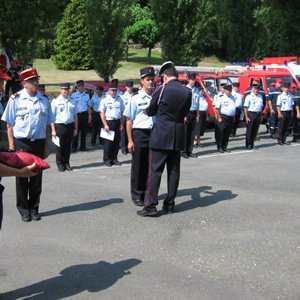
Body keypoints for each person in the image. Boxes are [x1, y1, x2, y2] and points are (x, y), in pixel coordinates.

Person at [137, 61, 191, 217]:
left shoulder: (162, 90)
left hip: (161, 136)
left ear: (165, 77)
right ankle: (170, 204)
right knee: (174, 172)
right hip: (178, 135)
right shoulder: (187, 92)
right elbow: (185, 112)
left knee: (155, 172)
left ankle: (151, 206)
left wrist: (149, 110)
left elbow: (151, 111)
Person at [1, 68, 54, 222]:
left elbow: (47, 126)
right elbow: (9, 125)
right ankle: (24, 209)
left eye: (36, 80)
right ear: (24, 83)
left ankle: (34, 208)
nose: (35, 83)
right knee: (22, 177)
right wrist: (12, 147)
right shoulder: (15, 99)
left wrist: (46, 146)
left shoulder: (44, 100)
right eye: (32, 81)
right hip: (21, 143)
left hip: (38, 143)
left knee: (37, 177)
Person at [124, 67, 155, 207]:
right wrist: (130, 140)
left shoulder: (156, 96)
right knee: (138, 166)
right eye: (148, 80)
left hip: (153, 133)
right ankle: (137, 194)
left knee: (151, 166)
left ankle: (148, 192)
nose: (151, 82)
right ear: (141, 81)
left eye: (152, 79)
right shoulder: (135, 99)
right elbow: (129, 121)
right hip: (139, 134)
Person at [0, 162, 38, 230]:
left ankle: (34, 209)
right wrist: (20, 172)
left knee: (36, 183)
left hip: (37, 153)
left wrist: (45, 150)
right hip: (20, 152)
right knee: (21, 184)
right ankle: (24, 210)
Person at [51, 83, 78, 172]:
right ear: (60, 90)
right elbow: (52, 117)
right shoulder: (55, 101)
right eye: (64, 89)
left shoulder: (72, 101)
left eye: (67, 89)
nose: (66, 91)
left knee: (68, 146)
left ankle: (66, 163)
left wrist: (75, 128)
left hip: (70, 126)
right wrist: (53, 130)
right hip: (60, 126)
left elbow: (75, 116)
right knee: (60, 147)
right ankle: (60, 164)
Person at [100, 84, 125, 167]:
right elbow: (102, 113)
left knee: (116, 142)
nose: (114, 92)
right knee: (108, 143)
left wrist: (121, 123)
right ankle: (107, 159)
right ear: (109, 91)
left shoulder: (119, 99)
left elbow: (122, 112)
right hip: (109, 122)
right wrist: (105, 124)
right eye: (113, 90)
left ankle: (114, 158)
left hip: (117, 121)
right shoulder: (105, 100)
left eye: (115, 90)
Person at [182, 72, 199, 159]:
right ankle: (184, 151)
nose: (193, 81)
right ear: (188, 80)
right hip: (187, 113)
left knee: (192, 133)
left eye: (194, 79)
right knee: (185, 133)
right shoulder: (184, 90)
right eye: (192, 80)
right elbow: (182, 104)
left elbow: (197, 103)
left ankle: (190, 150)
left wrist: (197, 115)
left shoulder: (196, 90)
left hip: (194, 112)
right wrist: (183, 115)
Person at [214, 84, 236, 153]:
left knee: (227, 133)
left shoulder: (232, 97)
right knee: (221, 133)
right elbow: (217, 109)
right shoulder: (221, 97)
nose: (230, 92)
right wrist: (219, 117)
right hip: (223, 117)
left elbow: (233, 108)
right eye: (228, 90)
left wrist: (234, 116)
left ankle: (225, 146)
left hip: (231, 117)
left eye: (230, 90)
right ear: (225, 91)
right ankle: (220, 147)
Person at [72, 80, 91, 152]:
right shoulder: (74, 95)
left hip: (84, 114)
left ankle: (83, 147)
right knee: (76, 130)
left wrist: (89, 115)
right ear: (77, 87)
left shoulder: (86, 95)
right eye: (80, 86)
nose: (81, 87)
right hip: (77, 115)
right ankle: (74, 146)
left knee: (84, 132)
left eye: (82, 86)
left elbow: (88, 106)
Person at [243, 83, 265, 150]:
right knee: (250, 130)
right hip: (251, 114)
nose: (256, 90)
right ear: (252, 89)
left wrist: (261, 116)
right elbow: (245, 107)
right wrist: (246, 117)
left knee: (255, 130)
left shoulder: (260, 96)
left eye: (257, 89)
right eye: (255, 89)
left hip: (258, 114)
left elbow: (261, 107)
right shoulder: (249, 97)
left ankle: (252, 143)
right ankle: (248, 144)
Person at [121, 81, 134, 155]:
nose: (130, 88)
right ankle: (124, 148)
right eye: (128, 87)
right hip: (125, 116)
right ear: (126, 87)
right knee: (124, 133)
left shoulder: (134, 95)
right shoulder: (123, 97)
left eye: (131, 86)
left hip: (132, 116)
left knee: (132, 133)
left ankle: (131, 147)